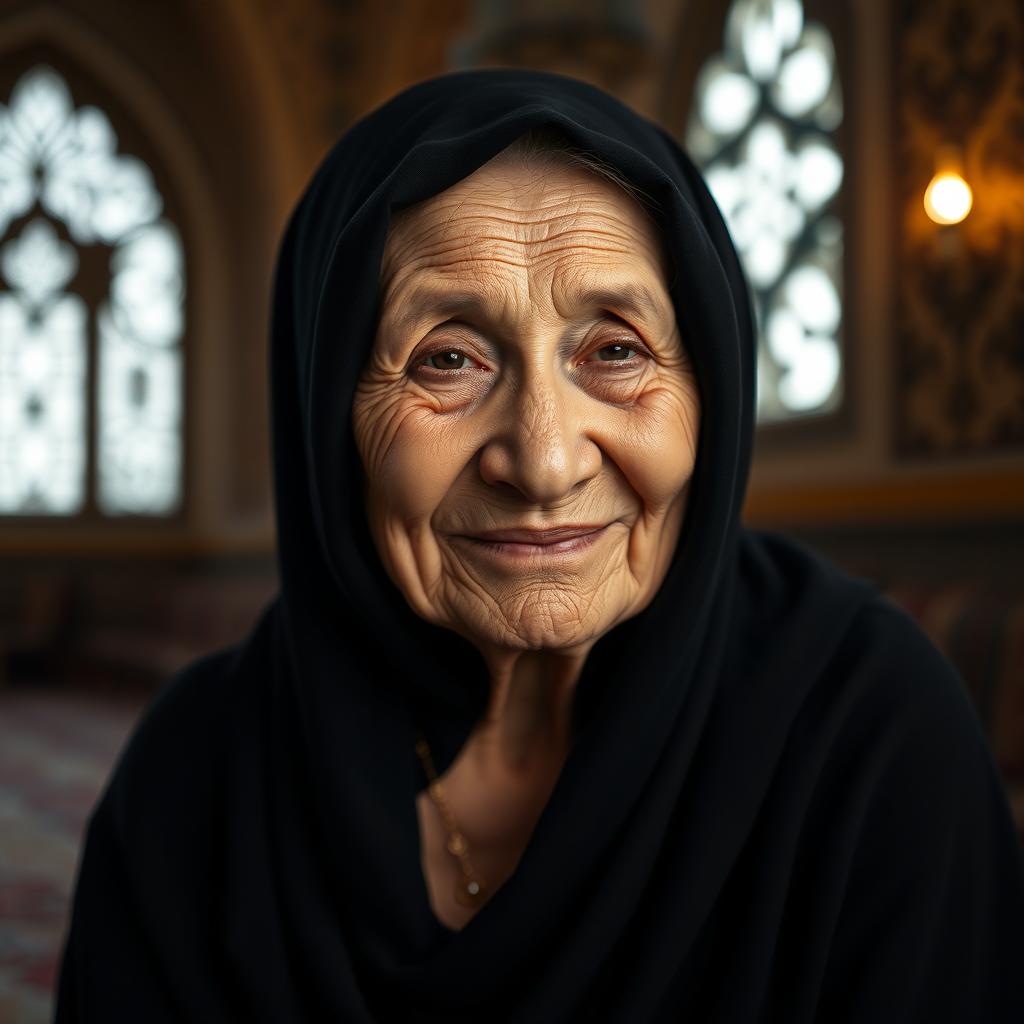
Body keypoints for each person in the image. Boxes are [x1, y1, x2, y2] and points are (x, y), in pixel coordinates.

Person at [56, 70, 1024, 1022]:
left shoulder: (871, 738)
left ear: (711, 392)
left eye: (615, 351)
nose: (546, 463)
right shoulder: (196, 778)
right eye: (447, 358)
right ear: (326, 415)